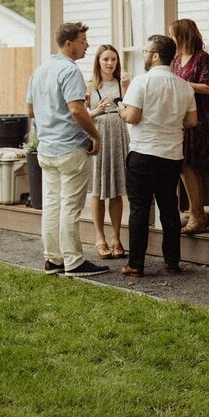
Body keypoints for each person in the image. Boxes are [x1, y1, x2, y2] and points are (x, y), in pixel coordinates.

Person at [26, 21, 107, 277]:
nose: (87, 46)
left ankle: (53, 259)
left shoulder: (40, 71)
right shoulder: (70, 71)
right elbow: (76, 109)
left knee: (52, 205)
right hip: (70, 149)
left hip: (47, 149)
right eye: (83, 41)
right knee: (70, 206)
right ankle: (74, 262)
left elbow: (30, 110)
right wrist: (95, 135)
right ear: (69, 43)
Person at [119, 34, 198, 277]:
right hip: (172, 154)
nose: (143, 55)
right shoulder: (184, 85)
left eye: (146, 51)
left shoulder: (141, 82)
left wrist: (122, 109)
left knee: (140, 208)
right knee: (169, 208)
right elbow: (192, 120)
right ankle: (172, 262)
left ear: (155, 55)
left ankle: (136, 264)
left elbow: (132, 117)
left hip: (143, 152)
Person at [169, 18, 209, 235]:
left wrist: (184, 84)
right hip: (181, 117)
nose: (171, 38)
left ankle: (197, 215)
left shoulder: (202, 58)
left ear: (183, 35)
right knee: (184, 166)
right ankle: (195, 213)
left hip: (200, 117)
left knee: (190, 165)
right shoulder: (175, 59)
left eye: (173, 34)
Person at [85, 43, 130, 260]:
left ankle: (117, 237)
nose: (110, 63)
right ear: (98, 61)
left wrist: (127, 89)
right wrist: (96, 111)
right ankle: (100, 237)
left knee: (117, 188)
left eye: (113, 59)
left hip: (119, 135)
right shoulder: (90, 86)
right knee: (99, 188)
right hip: (99, 135)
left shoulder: (123, 84)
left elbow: (131, 110)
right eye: (105, 59)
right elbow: (80, 116)